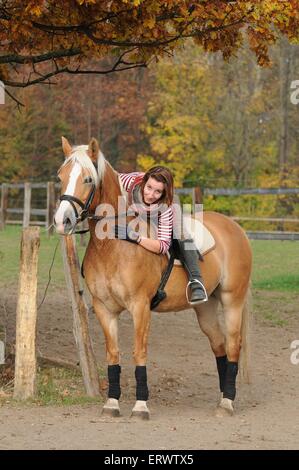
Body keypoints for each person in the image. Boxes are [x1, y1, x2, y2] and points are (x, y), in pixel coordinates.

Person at [117, 166, 208, 305]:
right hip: (139, 211)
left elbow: (163, 246)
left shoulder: (167, 206)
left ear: (164, 193)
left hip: (164, 213)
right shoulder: (131, 180)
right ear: (143, 182)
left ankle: (196, 282)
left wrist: (135, 237)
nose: (150, 195)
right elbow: (112, 178)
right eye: (149, 187)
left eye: (158, 191)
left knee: (181, 235)